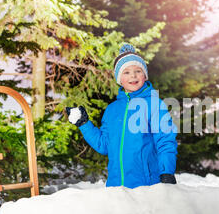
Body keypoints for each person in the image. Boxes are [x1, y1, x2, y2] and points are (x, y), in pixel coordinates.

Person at [66, 44, 178, 188]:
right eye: (126, 72)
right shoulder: (112, 110)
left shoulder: (154, 104)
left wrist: (166, 172)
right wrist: (84, 124)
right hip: (116, 188)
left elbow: (165, 141)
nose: (133, 75)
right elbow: (104, 145)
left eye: (138, 71)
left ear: (145, 75)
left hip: (147, 186)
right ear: (119, 79)